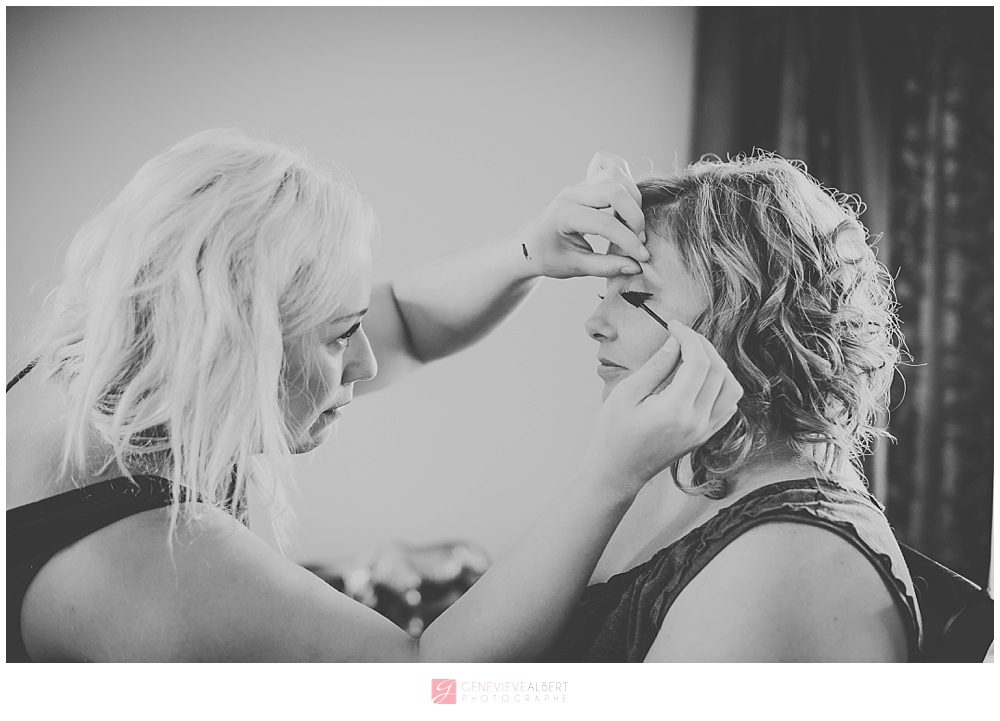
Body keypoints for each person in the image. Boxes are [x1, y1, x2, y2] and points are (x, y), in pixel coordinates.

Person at [6, 129, 742, 662]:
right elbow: (426, 687)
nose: (364, 361)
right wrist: (609, 478)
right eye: (338, 335)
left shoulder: (99, 358)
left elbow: (410, 325)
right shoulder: (149, 566)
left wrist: (531, 251)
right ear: (235, 342)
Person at [543, 152, 923, 662]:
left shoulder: (785, 558)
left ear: (755, 321)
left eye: (635, 298)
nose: (595, 322)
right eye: (603, 293)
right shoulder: (669, 477)